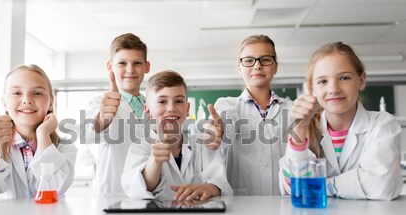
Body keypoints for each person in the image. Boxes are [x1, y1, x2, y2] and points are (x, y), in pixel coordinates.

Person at [279, 42, 402, 200]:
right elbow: (290, 186)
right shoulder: (305, 131)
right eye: (323, 81)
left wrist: (319, 186)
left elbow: (381, 184)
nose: (334, 89)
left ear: (362, 80)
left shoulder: (382, 124)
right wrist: (300, 127)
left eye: (344, 78)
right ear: (311, 88)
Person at [0, 64, 77, 202]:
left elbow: (57, 187)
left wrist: (43, 133)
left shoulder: (64, 147)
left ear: (51, 102)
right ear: (4, 102)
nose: (27, 99)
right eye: (17, 93)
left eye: (38, 93)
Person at [121, 70, 233, 200]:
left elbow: (221, 184)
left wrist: (209, 188)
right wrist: (155, 161)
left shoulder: (203, 143)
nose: (171, 108)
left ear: (187, 109)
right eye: (162, 101)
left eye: (179, 101)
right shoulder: (140, 147)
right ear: (148, 111)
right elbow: (136, 188)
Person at [213, 34, 292, 195]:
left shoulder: (292, 109)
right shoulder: (227, 105)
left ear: (275, 66)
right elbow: (225, 131)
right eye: (249, 60)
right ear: (239, 67)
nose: (257, 66)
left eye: (265, 59)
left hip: (284, 201)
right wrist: (219, 130)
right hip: (242, 205)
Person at [85, 33, 150, 196]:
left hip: (150, 194)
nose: (130, 70)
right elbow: (89, 134)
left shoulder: (156, 106)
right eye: (122, 63)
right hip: (113, 194)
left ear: (147, 67)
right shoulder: (99, 103)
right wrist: (103, 118)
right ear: (110, 66)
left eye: (137, 63)